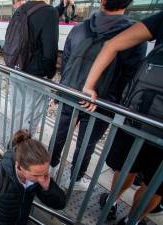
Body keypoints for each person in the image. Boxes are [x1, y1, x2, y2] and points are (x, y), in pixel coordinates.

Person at [49, 0, 146, 192]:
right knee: (87, 143)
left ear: (102, 1)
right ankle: (75, 179)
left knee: (60, 133)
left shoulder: (79, 28)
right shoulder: (134, 36)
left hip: (71, 93)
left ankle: (50, 167)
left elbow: (66, 60)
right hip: (101, 103)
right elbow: (130, 76)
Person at [81, 12, 163, 225]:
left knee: (127, 165)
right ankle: (132, 221)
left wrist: (89, 86)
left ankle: (112, 201)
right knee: (157, 184)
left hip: (139, 115)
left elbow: (112, 45)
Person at [0, 130, 66, 225]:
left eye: (45, 172)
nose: (41, 179)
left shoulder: (39, 175)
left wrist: (48, 187)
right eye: (35, 175)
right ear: (19, 167)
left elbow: (60, 204)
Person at [4, 0, 71, 139]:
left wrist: (61, 8)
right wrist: (49, 74)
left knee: (17, 112)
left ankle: (13, 144)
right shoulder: (48, 12)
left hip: (16, 69)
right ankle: (22, 151)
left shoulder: (22, 9)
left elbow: (39, 22)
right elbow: (50, 52)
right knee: (30, 116)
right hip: (35, 76)